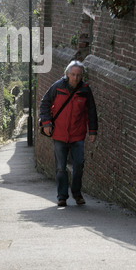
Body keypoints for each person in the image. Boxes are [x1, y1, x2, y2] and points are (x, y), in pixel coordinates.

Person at [39, 60, 98, 207]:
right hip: (59, 134)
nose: (75, 78)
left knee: (79, 165)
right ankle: (62, 197)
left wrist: (92, 131)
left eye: (78, 75)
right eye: (73, 74)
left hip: (77, 134)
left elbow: (91, 111)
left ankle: (76, 193)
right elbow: (45, 103)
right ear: (67, 74)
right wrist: (46, 123)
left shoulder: (85, 90)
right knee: (61, 167)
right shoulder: (57, 87)